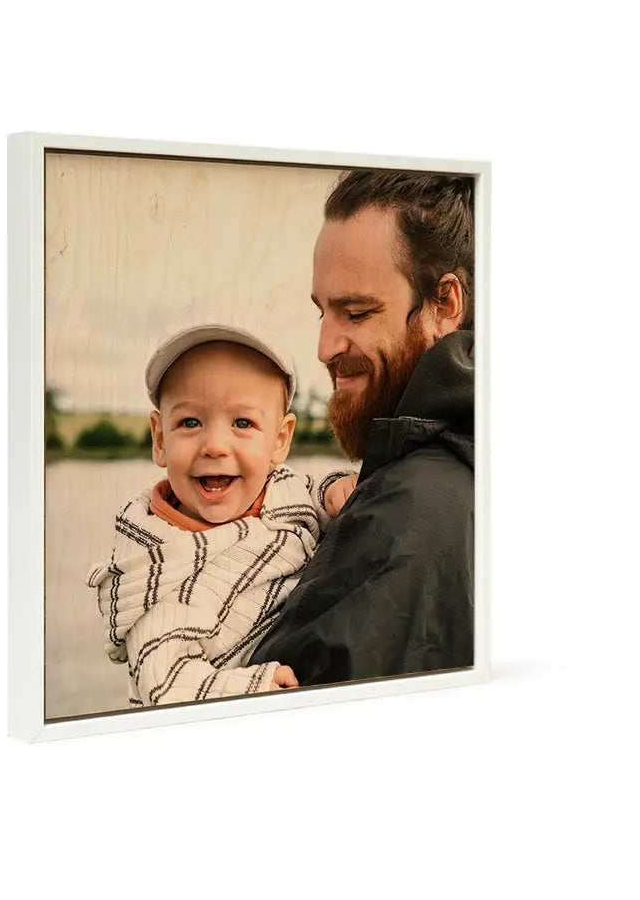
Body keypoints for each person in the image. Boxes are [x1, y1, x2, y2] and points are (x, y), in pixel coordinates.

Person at [249, 169, 476, 685]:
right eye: (323, 312)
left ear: (445, 304)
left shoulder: (406, 513)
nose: (324, 347)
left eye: (355, 312)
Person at [86, 325, 353, 708]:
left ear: (279, 440)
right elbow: (164, 686)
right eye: (190, 423)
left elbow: (312, 490)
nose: (214, 445)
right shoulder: (151, 571)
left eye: (242, 423)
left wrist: (334, 490)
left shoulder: (282, 489)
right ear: (160, 440)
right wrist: (253, 687)